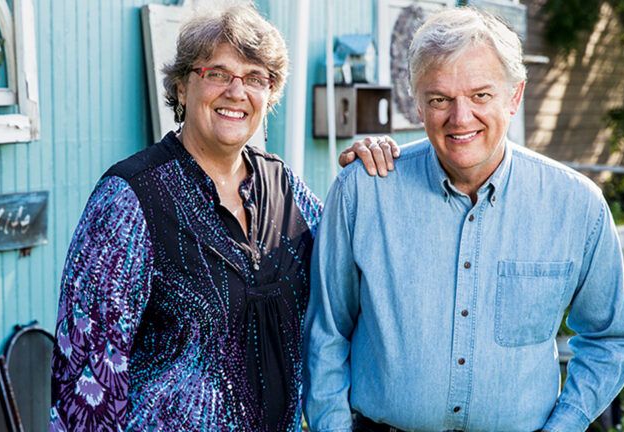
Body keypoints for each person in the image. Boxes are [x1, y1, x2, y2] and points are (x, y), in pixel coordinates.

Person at [49, 4, 397, 432]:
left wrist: (374, 174)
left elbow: (352, 280)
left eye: (255, 78)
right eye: (217, 73)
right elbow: (85, 378)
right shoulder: (130, 197)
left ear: (269, 96)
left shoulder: (285, 187)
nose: (237, 91)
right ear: (181, 87)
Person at [303, 7, 624, 432]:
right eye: (439, 99)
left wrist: (565, 425)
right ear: (417, 104)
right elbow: (325, 336)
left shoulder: (578, 207)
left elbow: (610, 341)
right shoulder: (363, 192)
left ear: (514, 96)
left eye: (481, 95)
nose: (460, 118)